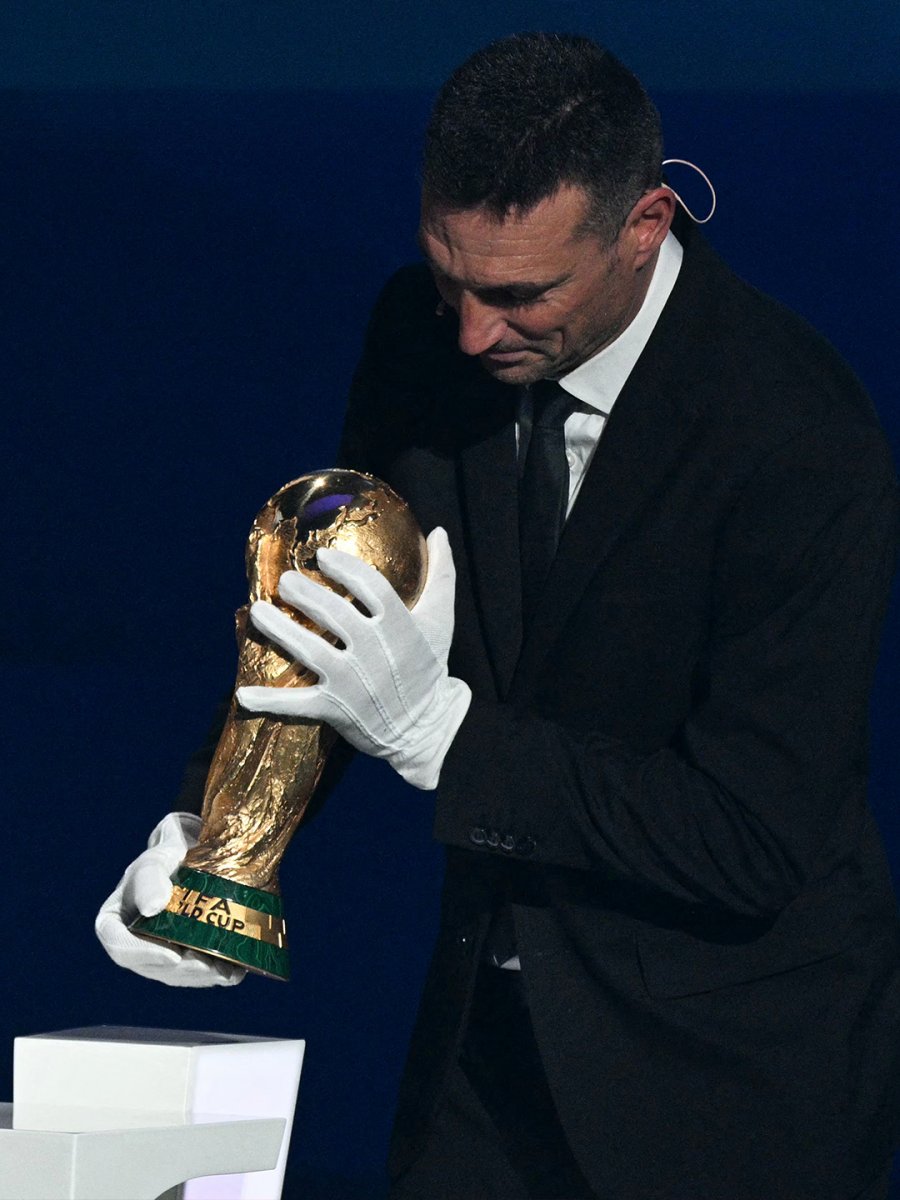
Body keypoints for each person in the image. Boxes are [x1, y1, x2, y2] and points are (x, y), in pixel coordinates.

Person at [96, 32, 900, 1200]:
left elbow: (752, 840)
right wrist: (219, 842)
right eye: (449, 276)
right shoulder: (420, 339)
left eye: (521, 293)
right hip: (486, 1061)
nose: (474, 332)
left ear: (647, 224)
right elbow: (341, 622)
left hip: (730, 1089)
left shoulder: (796, 436)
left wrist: (447, 741)